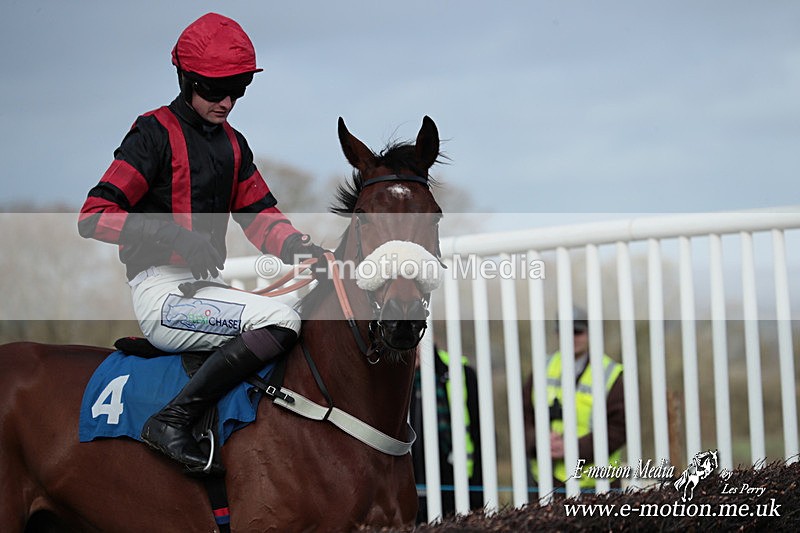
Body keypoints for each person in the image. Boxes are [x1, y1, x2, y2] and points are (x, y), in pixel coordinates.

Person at [78, 13, 326, 475]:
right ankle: (172, 421)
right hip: (161, 296)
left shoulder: (233, 145)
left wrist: (304, 251)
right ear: (186, 79)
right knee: (282, 319)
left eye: (239, 89)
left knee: (305, 308)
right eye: (215, 90)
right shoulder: (151, 134)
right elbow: (94, 216)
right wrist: (171, 235)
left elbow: (262, 219)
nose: (228, 101)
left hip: (203, 292)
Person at [522, 307, 625, 491]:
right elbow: (523, 416)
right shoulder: (542, 368)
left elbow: (619, 428)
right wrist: (538, 441)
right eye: (565, 331)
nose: (571, 337)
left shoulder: (610, 374)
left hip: (596, 487)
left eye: (577, 332)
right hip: (545, 485)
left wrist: (572, 448)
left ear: (588, 333)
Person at [410, 345, 483, 522]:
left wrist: (477, 496)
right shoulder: (388, 376)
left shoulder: (460, 373)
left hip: (457, 485)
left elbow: (479, 437)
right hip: (408, 484)